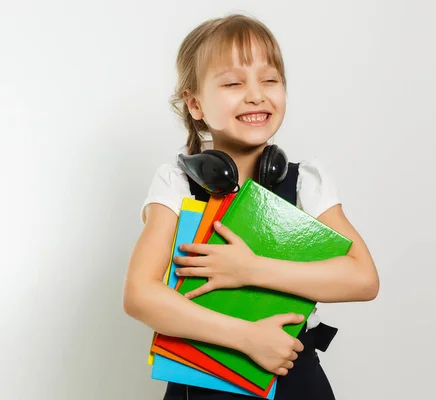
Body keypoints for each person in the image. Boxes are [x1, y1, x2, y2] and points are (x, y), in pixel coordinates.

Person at [123, 13, 379, 400]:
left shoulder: (306, 181)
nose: (256, 94)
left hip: (294, 373)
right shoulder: (176, 185)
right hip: (201, 378)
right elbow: (139, 295)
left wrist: (250, 269)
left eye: (270, 80)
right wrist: (247, 338)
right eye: (232, 83)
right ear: (195, 105)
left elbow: (363, 279)